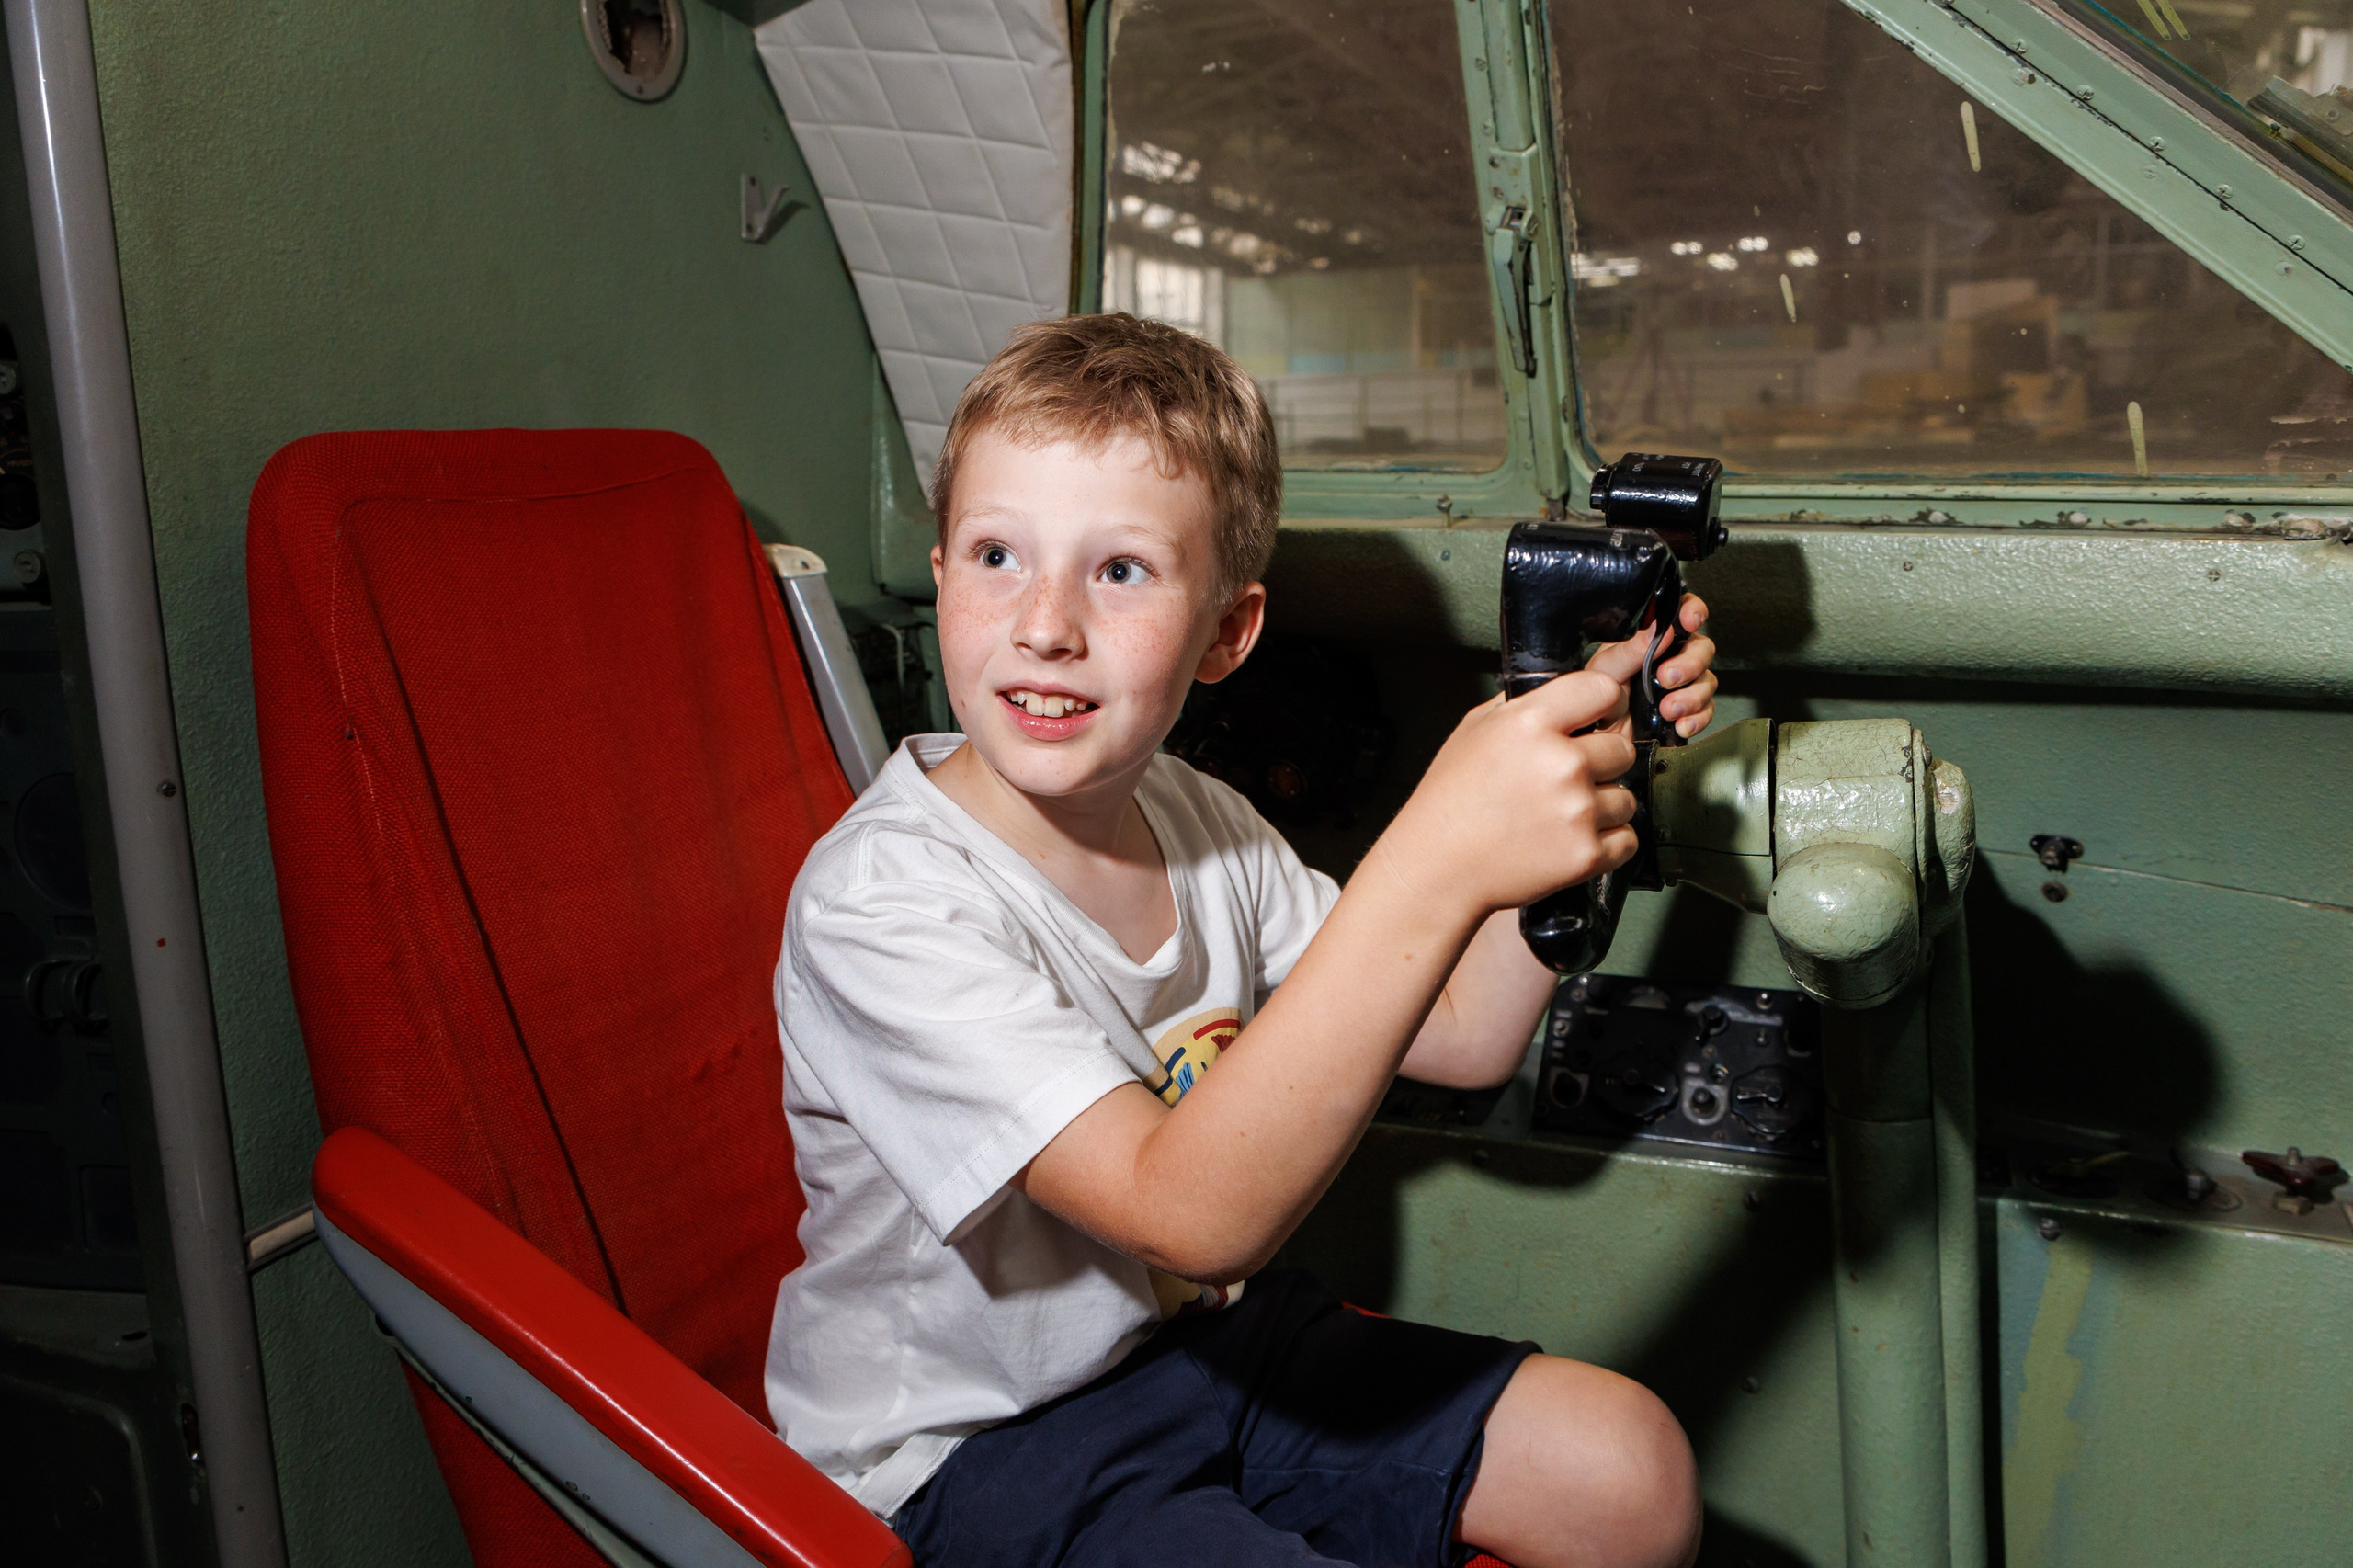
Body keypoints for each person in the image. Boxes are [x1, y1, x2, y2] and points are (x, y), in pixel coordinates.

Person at [767, 313, 1718, 1568]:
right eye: (999, 554)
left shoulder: (1197, 815)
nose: (1045, 623)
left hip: (1205, 1348)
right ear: (941, 574)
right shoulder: (880, 900)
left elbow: (1465, 1032)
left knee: (1629, 1471)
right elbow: (1186, 1215)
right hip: (974, 1452)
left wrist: (1593, 761)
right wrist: (1436, 850)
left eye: (1121, 570)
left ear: (1227, 630)